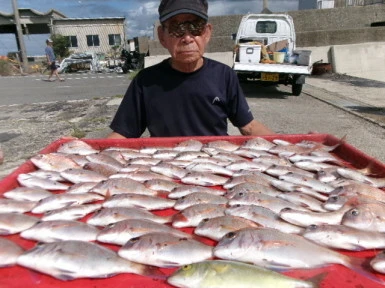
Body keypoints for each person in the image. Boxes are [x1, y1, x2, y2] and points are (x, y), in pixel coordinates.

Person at [108, 0, 274, 139]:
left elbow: (249, 127)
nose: (187, 38)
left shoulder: (224, 75)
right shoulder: (145, 81)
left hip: (214, 166)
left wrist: (288, 146)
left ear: (207, 33)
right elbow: (123, 135)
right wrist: (88, 151)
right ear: (162, 36)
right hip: (165, 170)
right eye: (176, 28)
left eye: (195, 27)